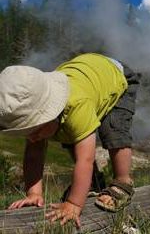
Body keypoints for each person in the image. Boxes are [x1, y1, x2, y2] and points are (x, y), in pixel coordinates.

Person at [0, 53, 140, 228]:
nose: (32, 137)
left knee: (113, 131)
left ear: (50, 112)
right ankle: (93, 183)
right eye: (26, 132)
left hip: (116, 77)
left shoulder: (77, 106)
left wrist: (74, 204)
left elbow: (85, 159)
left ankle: (123, 181)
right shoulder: (38, 115)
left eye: (34, 129)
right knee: (71, 138)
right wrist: (33, 193)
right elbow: (33, 156)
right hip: (89, 75)